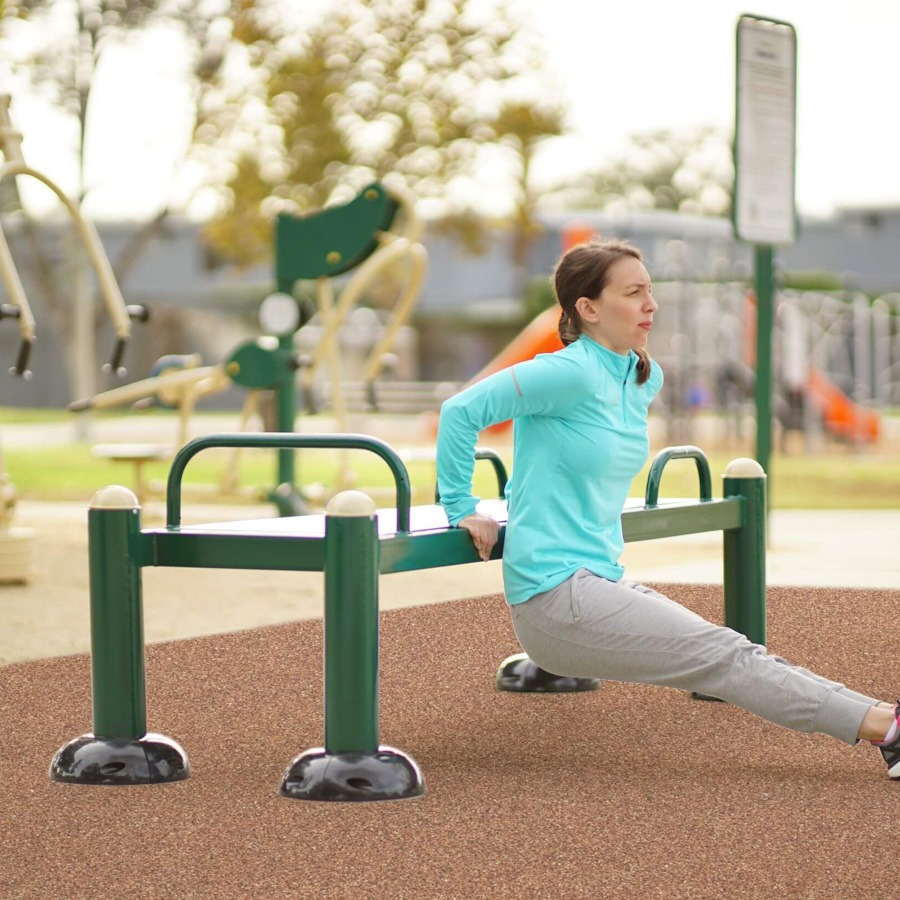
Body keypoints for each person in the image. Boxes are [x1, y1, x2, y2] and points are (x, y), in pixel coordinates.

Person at [436, 239, 900, 778]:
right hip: (555, 599)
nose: (651, 305)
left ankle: (888, 724)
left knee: (731, 653)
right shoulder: (566, 373)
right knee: (726, 656)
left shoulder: (639, 375)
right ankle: (887, 729)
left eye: (650, 291)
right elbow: (460, 410)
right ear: (587, 308)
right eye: (633, 293)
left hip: (598, 580)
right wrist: (461, 506)